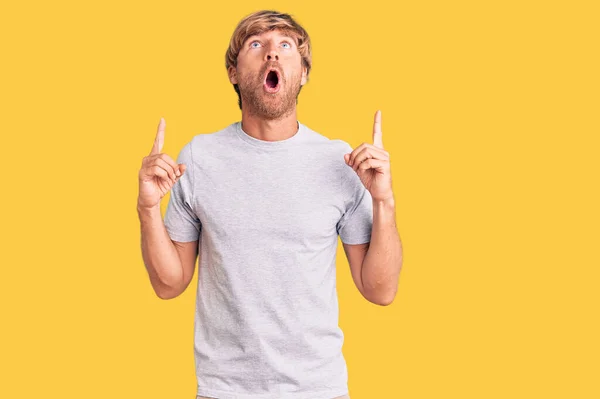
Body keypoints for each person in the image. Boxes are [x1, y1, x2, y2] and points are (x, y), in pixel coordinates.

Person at [137, 9, 403, 399]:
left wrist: (384, 201)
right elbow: (168, 284)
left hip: (318, 388)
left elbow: (380, 290)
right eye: (256, 45)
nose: (272, 55)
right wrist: (147, 210)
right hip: (223, 390)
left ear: (304, 72)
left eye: (286, 46)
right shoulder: (197, 157)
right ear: (233, 72)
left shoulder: (340, 161)